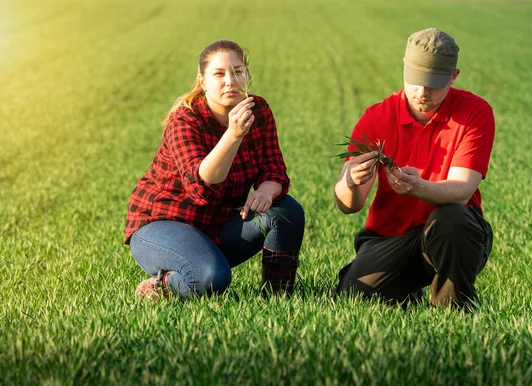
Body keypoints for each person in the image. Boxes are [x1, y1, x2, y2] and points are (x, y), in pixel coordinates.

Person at [124, 40, 305, 301]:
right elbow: (202, 186)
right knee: (211, 280)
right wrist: (233, 135)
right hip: (164, 223)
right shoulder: (185, 119)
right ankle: (161, 285)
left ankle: (277, 297)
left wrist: (266, 190)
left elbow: (274, 168)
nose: (230, 81)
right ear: (203, 81)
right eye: (219, 74)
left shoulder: (259, 110)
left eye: (238, 72)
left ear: (248, 76)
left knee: (286, 211)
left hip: (217, 223)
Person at [334, 28, 494, 309]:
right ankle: (407, 291)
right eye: (415, 81)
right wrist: (350, 182)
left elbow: (461, 191)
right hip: (389, 236)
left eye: (433, 84)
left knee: (453, 218)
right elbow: (349, 205)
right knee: (354, 298)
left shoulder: (474, 112)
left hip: (453, 233)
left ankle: (453, 308)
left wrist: (419, 188)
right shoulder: (377, 117)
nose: (422, 92)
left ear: (453, 77)